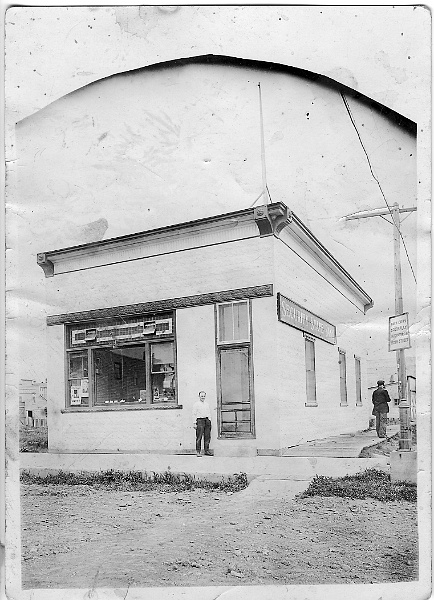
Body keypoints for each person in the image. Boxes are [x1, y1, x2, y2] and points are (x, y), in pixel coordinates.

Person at [192, 391, 212, 457]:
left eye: (204, 396)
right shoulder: (196, 404)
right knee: (199, 437)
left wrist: (209, 420)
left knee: (207, 436)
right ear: (199, 396)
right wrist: (194, 423)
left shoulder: (207, 404)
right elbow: (194, 414)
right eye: (201, 396)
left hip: (206, 420)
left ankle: (206, 450)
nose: (203, 397)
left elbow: (209, 413)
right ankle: (198, 452)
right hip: (200, 421)